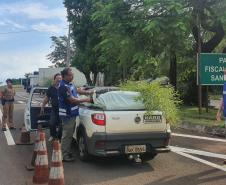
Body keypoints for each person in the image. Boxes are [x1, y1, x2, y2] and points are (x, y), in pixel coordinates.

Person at [58, 68, 93, 162]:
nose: (72, 76)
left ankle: (66, 151)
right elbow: (72, 100)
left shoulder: (70, 84)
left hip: (72, 114)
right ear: (64, 76)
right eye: (70, 75)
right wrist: (87, 100)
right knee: (67, 135)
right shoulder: (63, 87)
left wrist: (88, 92)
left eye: (72, 74)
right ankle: (64, 155)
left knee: (69, 134)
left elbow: (77, 90)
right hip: (67, 115)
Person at [41, 73, 62, 141]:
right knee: (52, 123)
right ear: (54, 79)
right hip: (54, 109)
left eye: (60, 78)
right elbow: (47, 98)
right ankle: (52, 135)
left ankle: (59, 137)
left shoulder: (63, 87)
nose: (59, 80)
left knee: (61, 125)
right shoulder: (51, 88)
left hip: (62, 110)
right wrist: (42, 106)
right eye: (57, 78)